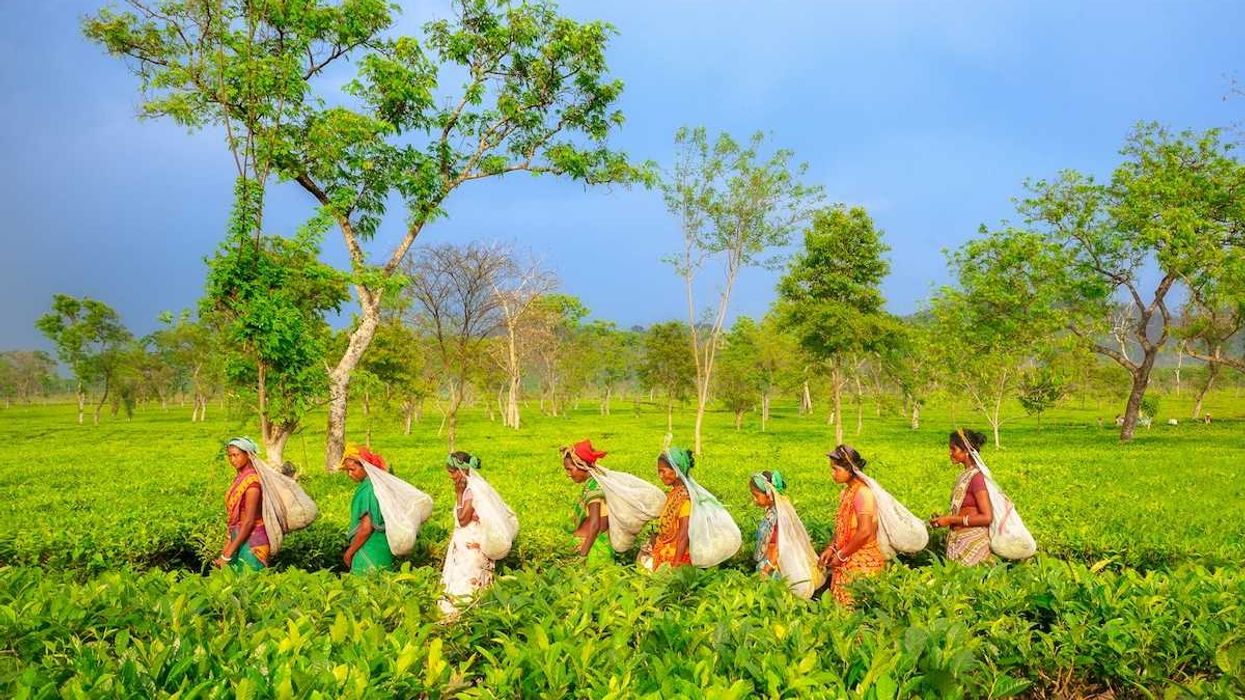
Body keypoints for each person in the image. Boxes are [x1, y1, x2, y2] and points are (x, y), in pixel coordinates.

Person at [818, 445, 886, 606]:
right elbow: (842, 527)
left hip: (862, 562)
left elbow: (865, 531)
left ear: (849, 469)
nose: (832, 473)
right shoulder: (846, 492)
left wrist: (841, 555)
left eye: (835, 469)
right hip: (847, 557)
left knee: (855, 612)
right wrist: (831, 548)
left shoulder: (863, 493)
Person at [928, 429, 995, 566]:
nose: (950, 453)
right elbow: (965, 508)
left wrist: (950, 519)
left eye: (953, 449)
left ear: (966, 451)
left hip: (972, 542)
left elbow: (987, 517)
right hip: (958, 541)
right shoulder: (965, 475)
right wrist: (944, 518)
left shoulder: (977, 478)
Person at [440, 451, 495, 615]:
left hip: (471, 548)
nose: (451, 476)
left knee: (466, 583)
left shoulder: (471, 491)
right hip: (467, 546)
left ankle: (460, 616)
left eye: (452, 472)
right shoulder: (470, 489)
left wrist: (458, 494)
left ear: (461, 470)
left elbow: (463, 519)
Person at [215, 437, 270, 571]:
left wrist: (227, 554)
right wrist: (226, 549)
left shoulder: (252, 484)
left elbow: (249, 521)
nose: (232, 459)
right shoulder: (240, 478)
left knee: (250, 586)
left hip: (253, 542)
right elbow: (236, 520)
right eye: (230, 456)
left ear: (248, 455)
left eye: (236, 455)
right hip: (238, 537)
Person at [340, 442, 394, 575]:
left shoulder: (368, 489)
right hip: (382, 549)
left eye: (353, 469)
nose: (349, 474)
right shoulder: (378, 485)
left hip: (369, 549)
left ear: (365, 467)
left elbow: (366, 528)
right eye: (347, 471)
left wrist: (349, 552)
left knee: (364, 589)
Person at [561, 439, 613, 566]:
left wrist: (582, 556)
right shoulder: (597, 481)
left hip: (591, 548)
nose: (568, 474)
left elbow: (595, 525)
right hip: (595, 544)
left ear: (581, 466)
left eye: (570, 469)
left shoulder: (593, 488)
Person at [645, 447, 694, 570]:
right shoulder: (674, 493)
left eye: (663, 471)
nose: (660, 475)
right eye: (659, 472)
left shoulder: (685, 500)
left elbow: (684, 535)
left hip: (676, 558)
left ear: (676, 470)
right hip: (665, 554)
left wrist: (675, 566)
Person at [749, 471, 783, 579]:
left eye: (756, 495)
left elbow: (778, 547)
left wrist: (765, 570)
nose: (754, 499)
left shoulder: (777, 516)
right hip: (766, 562)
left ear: (769, 495)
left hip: (773, 568)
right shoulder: (771, 512)